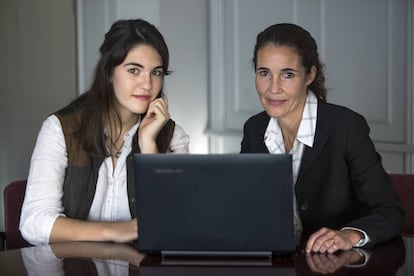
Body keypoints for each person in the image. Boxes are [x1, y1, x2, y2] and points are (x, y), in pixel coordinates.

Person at [20, 19, 190, 245]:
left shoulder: (172, 137)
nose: (147, 84)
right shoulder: (60, 128)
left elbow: (175, 225)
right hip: (74, 267)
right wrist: (116, 231)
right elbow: (34, 223)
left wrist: (149, 146)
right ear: (109, 72)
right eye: (134, 70)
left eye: (156, 72)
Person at [240, 23, 404, 254]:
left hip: (336, 266)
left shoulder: (346, 127)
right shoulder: (254, 129)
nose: (273, 88)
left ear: (310, 75)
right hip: (277, 263)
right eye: (264, 73)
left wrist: (349, 235)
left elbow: (389, 211)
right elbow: (246, 206)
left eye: (288, 74)